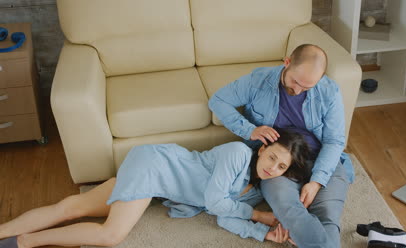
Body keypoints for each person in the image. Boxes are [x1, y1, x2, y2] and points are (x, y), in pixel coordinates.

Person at [0, 129, 311, 248]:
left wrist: (262, 232)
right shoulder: (238, 154)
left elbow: (224, 217)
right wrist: (257, 216)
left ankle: (4, 231)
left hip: (156, 180)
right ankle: (25, 242)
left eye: (281, 167)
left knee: (71, 208)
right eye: (272, 156)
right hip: (155, 166)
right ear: (262, 149)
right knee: (111, 235)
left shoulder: (256, 188)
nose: (273, 167)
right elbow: (216, 203)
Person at [209, 44, 355, 248]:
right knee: (289, 211)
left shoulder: (329, 91)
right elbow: (218, 100)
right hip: (278, 163)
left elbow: (334, 141)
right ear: (286, 62)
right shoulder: (258, 81)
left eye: (307, 87)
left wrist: (317, 182)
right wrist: (249, 129)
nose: (297, 90)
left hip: (320, 159)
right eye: (295, 81)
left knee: (328, 216)